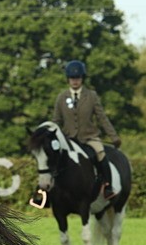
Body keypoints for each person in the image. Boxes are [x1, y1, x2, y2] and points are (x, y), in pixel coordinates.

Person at [52, 60, 121, 198]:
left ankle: (107, 186)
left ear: (82, 78)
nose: (75, 81)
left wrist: (113, 136)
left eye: (77, 78)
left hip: (89, 137)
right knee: (52, 158)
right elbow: (56, 121)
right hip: (69, 138)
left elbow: (102, 118)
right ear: (68, 79)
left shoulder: (91, 96)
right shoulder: (61, 98)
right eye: (72, 78)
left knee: (100, 152)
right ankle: (45, 192)